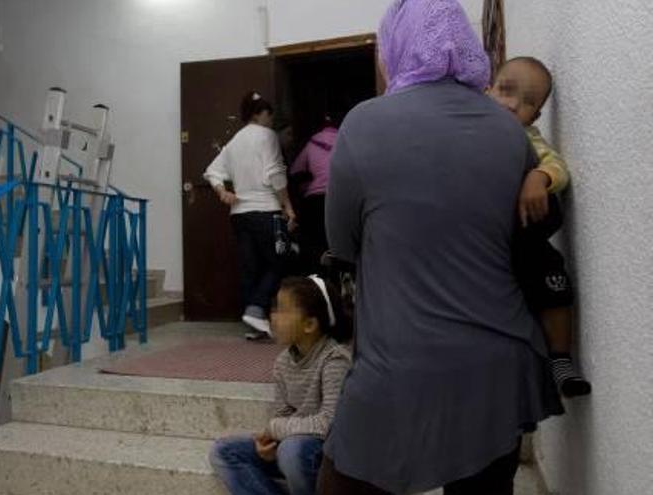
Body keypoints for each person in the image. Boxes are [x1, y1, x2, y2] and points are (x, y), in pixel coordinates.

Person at [318, 1, 563, 494]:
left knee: (343, 481)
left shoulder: (365, 123)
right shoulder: (507, 130)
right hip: (500, 361)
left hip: (401, 360)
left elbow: (341, 242)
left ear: (398, 45)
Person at [488, 57, 591, 397]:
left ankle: (560, 360)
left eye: (528, 102)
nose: (513, 105)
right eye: (505, 90)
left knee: (555, 280)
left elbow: (558, 167)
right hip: (486, 245)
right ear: (487, 90)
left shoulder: (528, 139)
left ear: (535, 117)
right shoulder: (473, 130)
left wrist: (538, 175)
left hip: (525, 241)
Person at [209, 276, 352, 495]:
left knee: (291, 450)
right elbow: (282, 413)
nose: (273, 316)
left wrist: (276, 431)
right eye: (275, 308)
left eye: (283, 310)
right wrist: (271, 443)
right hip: (291, 447)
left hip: (323, 456)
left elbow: (328, 424)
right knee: (224, 451)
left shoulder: (334, 359)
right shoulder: (283, 362)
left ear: (310, 324)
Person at [204, 91, 298, 340]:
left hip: (240, 215)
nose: (270, 119)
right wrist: (288, 206)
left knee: (251, 268)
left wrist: (222, 192)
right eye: (268, 114)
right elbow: (276, 175)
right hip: (265, 210)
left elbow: (212, 171)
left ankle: (255, 324)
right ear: (259, 114)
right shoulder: (267, 136)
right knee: (280, 260)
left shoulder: (234, 141)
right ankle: (256, 310)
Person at [290, 114, 341, 274]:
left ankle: (319, 266)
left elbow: (295, 170)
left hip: (315, 200)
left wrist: (306, 185)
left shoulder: (312, 142)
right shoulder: (345, 140)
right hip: (339, 198)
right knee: (339, 239)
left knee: (313, 238)